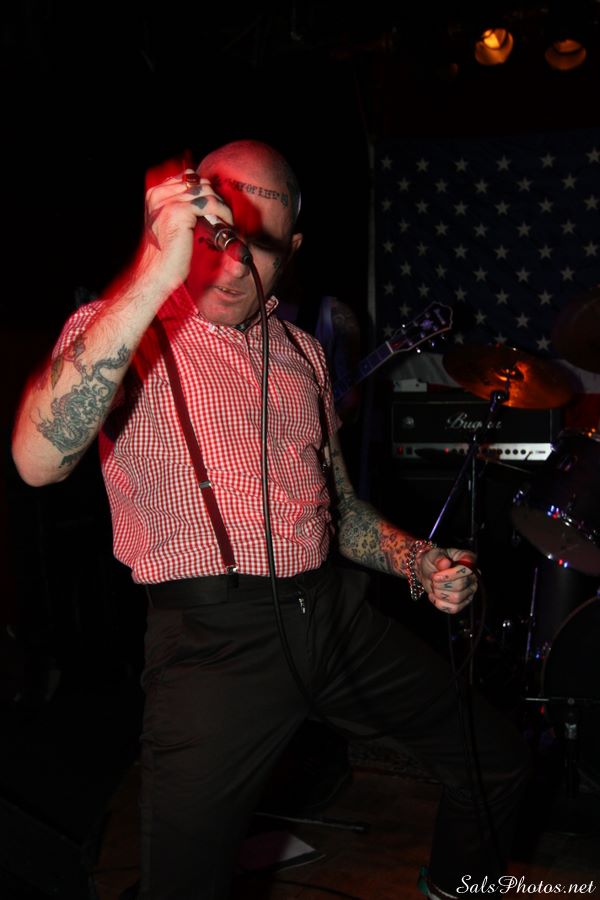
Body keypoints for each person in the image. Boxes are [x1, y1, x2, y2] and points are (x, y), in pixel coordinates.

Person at [12, 139, 529, 900]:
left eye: (257, 245)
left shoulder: (305, 356)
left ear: (291, 251)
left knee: (496, 760)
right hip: (214, 642)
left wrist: (417, 559)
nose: (232, 264)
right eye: (216, 235)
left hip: (332, 615)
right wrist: (153, 271)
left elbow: (339, 507)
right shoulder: (121, 327)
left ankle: (459, 888)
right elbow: (37, 462)